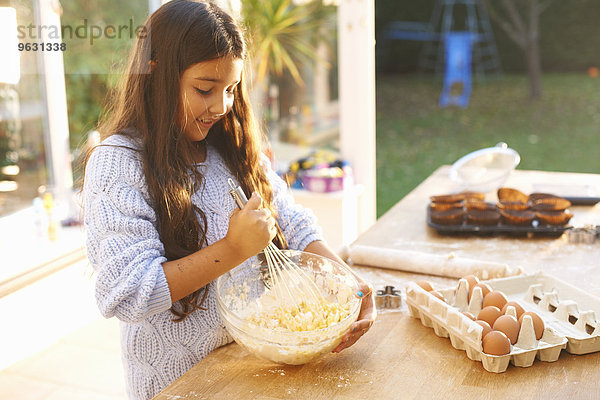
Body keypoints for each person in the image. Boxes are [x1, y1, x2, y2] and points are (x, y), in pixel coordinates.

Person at [82, 1, 376, 399]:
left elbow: (289, 220)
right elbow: (128, 291)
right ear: (157, 73)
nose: (221, 106)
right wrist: (235, 247)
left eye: (231, 89)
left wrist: (351, 284)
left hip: (248, 368)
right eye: (204, 89)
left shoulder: (229, 147)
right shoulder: (119, 162)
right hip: (178, 387)